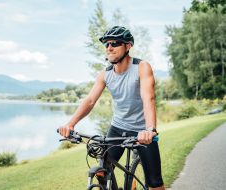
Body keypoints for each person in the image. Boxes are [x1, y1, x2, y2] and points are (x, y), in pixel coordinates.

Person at [58, 26, 165, 190]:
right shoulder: (105, 74)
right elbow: (90, 100)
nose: (109, 48)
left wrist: (150, 129)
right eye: (106, 44)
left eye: (115, 43)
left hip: (142, 130)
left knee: (155, 184)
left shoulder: (142, 67)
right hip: (117, 128)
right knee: (102, 172)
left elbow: (148, 97)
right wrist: (70, 124)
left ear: (128, 46)